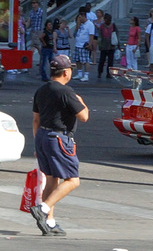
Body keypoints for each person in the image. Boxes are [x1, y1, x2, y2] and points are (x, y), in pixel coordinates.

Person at [30, 54, 89, 237]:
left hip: (42, 136)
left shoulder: (42, 90)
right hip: (58, 138)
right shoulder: (66, 92)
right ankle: (43, 209)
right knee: (72, 180)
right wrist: (79, 100)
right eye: (70, 69)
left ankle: (49, 222)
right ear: (66, 72)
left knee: (51, 179)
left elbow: (35, 120)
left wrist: (38, 144)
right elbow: (84, 116)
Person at [72, 12, 94, 82]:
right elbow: (75, 34)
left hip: (84, 45)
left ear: (83, 16)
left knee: (85, 60)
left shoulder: (90, 24)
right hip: (77, 44)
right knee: (78, 60)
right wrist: (77, 24)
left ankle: (86, 75)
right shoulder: (80, 25)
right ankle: (79, 73)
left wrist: (89, 44)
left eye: (80, 17)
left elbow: (91, 35)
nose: (79, 19)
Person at [97, 13, 119, 79]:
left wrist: (118, 44)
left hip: (111, 46)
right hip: (104, 45)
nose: (108, 21)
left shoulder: (113, 26)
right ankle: (100, 72)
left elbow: (117, 35)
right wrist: (100, 44)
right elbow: (100, 36)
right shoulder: (102, 26)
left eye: (109, 20)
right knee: (102, 60)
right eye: (106, 20)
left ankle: (109, 73)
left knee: (110, 61)